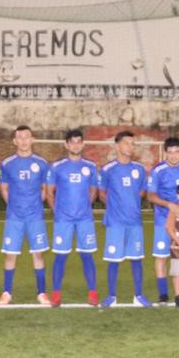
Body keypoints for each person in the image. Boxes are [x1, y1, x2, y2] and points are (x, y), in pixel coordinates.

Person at [0, 125, 51, 305]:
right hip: (14, 217)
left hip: (35, 216)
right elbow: (4, 189)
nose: (23, 140)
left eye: (26, 137)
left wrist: (34, 206)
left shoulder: (42, 163)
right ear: (14, 141)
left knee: (38, 254)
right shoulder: (7, 164)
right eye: (19, 137)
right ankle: (7, 292)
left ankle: (41, 293)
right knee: (10, 255)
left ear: (32, 140)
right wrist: (15, 206)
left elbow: (44, 189)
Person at [46, 129, 99, 307]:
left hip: (85, 219)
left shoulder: (90, 166)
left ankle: (93, 293)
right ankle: (56, 294)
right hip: (64, 220)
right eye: (72, 142)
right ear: (66, 145)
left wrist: (85, 208)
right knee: (60, 256)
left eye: (78, 142)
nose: (75, 145)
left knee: (87, 256)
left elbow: (93, 191)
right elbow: (49, 192)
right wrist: (57, 211)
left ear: (83, 144)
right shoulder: (57, 166)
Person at [99, 131, 151, 308]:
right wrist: (115, 207)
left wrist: (133, 202)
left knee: (136, 259)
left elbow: (143, 190)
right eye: (126, 143)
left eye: (132, 143)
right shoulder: (108, 169)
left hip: (134, 222)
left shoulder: (139, 169)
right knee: (114, 260)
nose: (130, 146)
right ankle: (111, 296)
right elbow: (102, 192)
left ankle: (139, 295)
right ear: (117, 146)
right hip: (115, 222)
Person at [147, 137, 179, 304]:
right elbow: (150, 196)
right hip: (163, 219)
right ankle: (163, 293)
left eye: (177, 152)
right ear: (165, 153)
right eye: (170, 152)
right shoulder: (158, 170)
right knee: (162, 256)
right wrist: (169, 205)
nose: (174, 156)